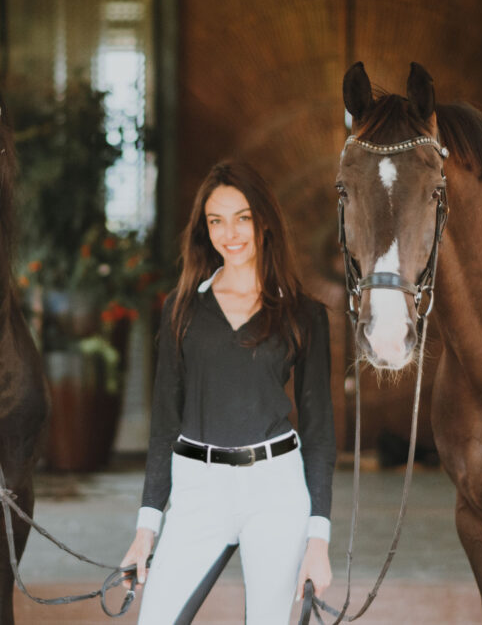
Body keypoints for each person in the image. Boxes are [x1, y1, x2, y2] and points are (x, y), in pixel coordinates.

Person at [122, 160, 336, 624]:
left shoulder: (304, 314)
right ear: (204, 230)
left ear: (264, 221)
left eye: (242, 217)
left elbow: (319, 436)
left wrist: (318, 542)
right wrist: (146, 528)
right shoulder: (182, 309)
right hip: (198, 490)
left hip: (276, 490)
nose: (230, 233)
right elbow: (164, 425)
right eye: (216, 220)